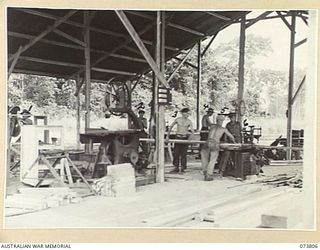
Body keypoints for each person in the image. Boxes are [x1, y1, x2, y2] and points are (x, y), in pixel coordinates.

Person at [201, 115, 235, 181]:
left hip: (207, 142)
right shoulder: (223, 129)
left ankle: (205, 172)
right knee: (213, 159)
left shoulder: (212, 126)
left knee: (204, 158)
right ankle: (208, 174)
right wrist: (235, 142)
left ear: (216, 120)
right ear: (222, 121)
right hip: (215, 143)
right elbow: (231, 136)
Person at [166, 107, 194, 173]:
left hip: (185, 138)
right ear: (182, 113)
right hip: (178, 137)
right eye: (186, 113)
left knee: (183, 154)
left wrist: (190, 138)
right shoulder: (178, 119)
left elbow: (192, 132)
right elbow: (170, 127)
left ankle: (183, 168)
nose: (187, 115)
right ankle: (176, 167)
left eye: (188, 114)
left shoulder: (189, 121)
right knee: (176, 153)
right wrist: (167, 136)